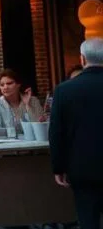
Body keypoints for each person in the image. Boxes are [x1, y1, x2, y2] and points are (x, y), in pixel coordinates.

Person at [51, 38, 103, 229]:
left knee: (88, 220)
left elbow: (56, 131)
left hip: (82, 167)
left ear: (82, 59)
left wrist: (58, 167)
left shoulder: (64, 90)